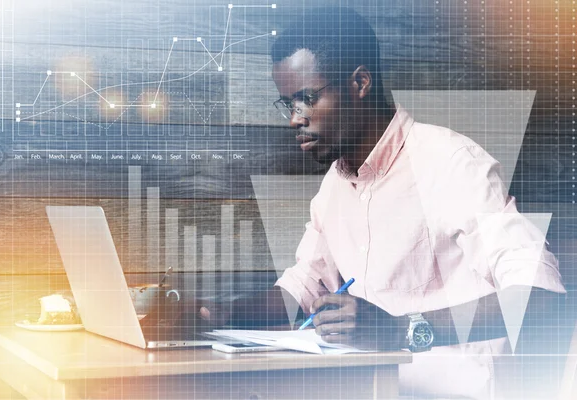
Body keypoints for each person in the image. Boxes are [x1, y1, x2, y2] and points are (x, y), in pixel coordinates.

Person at [195, 7, 567, 399]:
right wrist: (218, 314)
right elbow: (303, 287)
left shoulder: (451, 162)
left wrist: (400, 329)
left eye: (306, 99)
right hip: (365, 387)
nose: (294, 119)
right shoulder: (334, 186)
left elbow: (538, 297)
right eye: (288, 104)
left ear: (359, 83)